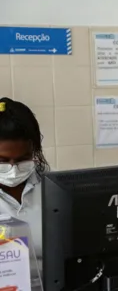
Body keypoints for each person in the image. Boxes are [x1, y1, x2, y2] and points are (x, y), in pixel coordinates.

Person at [0, 98, 49, 258]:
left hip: (49, 282)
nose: (13, 170)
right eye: (2, 160)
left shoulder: (55, 187)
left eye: (23, 159)